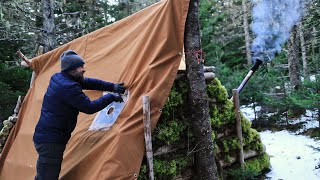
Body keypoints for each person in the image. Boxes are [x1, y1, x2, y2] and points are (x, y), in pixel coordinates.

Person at [33, 50, 126, 180]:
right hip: (51, 141)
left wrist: (113, 87)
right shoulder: (68, 87)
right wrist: (111, 97)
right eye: (80, 67)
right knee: (48, 177)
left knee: (44, 175)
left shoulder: (60, 78)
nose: (84, 69)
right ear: (71, 69)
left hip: (46, 136)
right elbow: (89, 107)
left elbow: (88, 82)